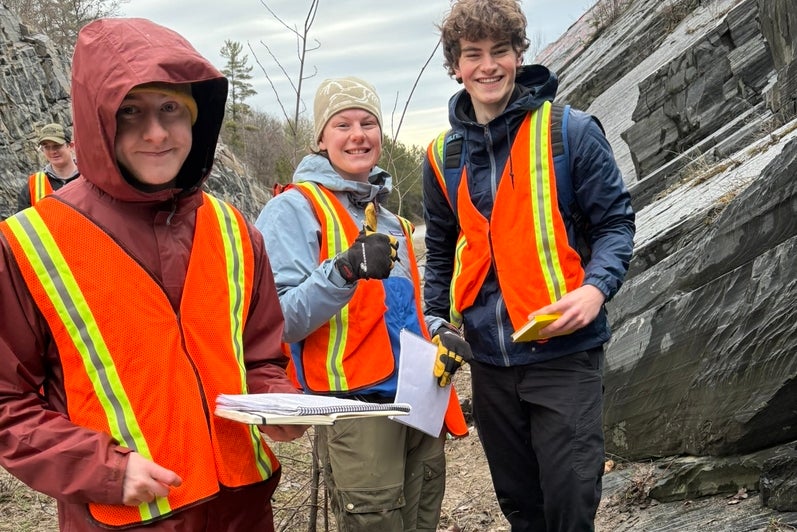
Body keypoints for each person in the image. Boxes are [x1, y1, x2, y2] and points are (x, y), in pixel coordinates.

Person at [0, 17, 306, 532]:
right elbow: (9, 404)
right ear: (98, 123)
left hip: (243, 511)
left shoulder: (235, 231)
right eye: (131, 112)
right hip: (125, 519)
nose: (157, 132)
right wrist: (103, 469)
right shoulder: (29, 243)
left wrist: (279, 402)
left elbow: (259, 358)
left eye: (171, 109)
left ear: (197, 118)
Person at [421, 0, 637, 530]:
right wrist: (433, 319)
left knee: (570, 502)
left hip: (565, 354)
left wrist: (595, 290)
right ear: (456, 66)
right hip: (490, 365)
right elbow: (442, 251)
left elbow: (615, 225)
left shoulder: (572, 131)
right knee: (521, 507)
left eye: (500, 50)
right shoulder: (440, 156)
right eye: (473, 54)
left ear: (520, 54)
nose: (487, 65)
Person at [255, 76, 470, 531]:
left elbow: (403, 312)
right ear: (320, 137)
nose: (358, 134)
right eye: (342, 124)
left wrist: (438, 332)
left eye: (368, 122)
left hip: (418, 401)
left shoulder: (390, 220)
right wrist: (345, 270)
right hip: (355, 411)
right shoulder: (292, 210)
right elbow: (278, 322)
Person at [18, 122, 80, 210]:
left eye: (57, 146)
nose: (52, 151)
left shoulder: (89, 177)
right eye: (47, 147)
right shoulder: (32, 186)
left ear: (70, 146)